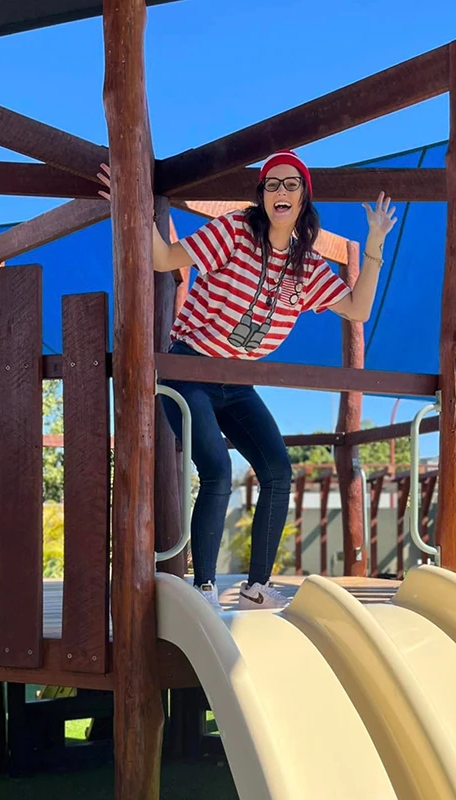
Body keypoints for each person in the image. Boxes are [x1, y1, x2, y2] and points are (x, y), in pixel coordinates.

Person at [98, 150, 396, 611]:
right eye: (271, 184)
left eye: (290, 184)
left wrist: (373, 243)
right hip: (191, 367)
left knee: (278, 470)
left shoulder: (306, 266)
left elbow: (357, 308)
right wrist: (127, 204)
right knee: (217, 469)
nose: (281, 191)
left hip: (236, 382)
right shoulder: (234, 232)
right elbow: (160, 259)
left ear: (303, 198)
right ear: (261, 196)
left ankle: (258, 586)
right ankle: (204, 588)